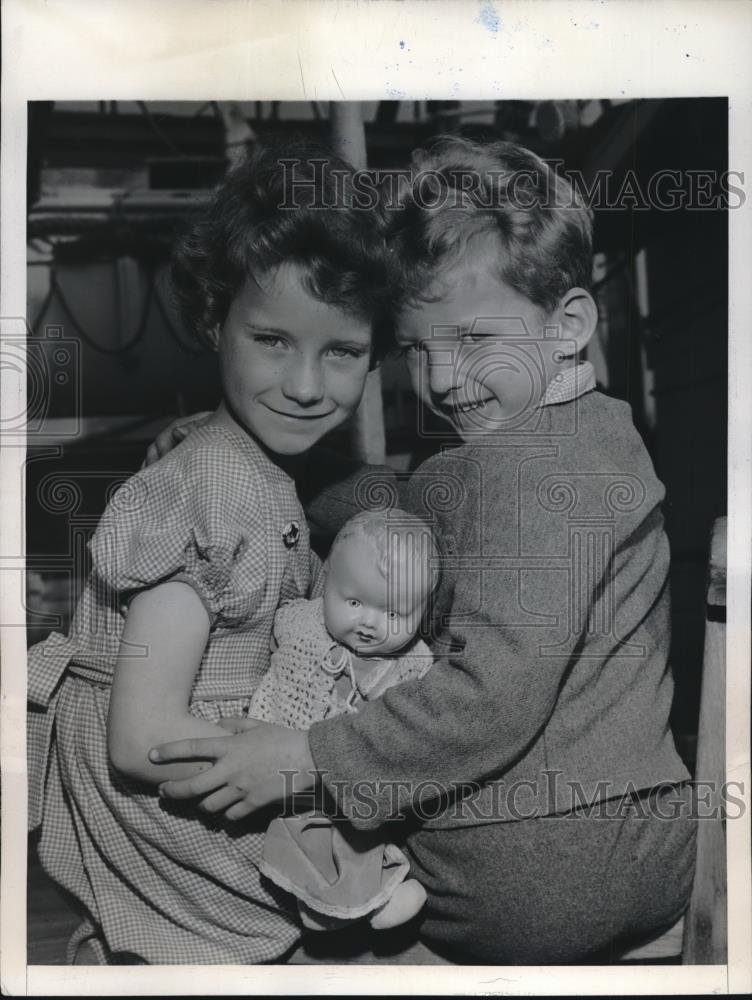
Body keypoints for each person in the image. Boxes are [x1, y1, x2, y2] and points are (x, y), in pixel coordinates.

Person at [149, 136, 697, 965]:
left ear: (570, 326)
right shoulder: (587, 440)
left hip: (529, 877)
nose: (441, 380)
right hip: (637, 850)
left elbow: (489, 698)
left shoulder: (539, 474)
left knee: (223, 848)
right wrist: (277, 458)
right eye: (415, 349)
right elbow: (411, 502)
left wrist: (304, 760)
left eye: (474, 340)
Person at [26, 138, 397, 965]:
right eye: (272, 340)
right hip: (173, 851)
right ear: (211, 321)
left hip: (198, 815)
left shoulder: (254, 470)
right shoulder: (207, 492)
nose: (306, 385)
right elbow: (140, 736)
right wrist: (312, 769)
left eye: (341, 352)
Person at [252, 509, 436, 931]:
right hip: (280, 750)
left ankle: (367, 897)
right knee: (296, 829)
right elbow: (270, 622)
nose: (370, 623)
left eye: (395, 615)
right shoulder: (302, 620)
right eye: (353, 602)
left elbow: (407, 723)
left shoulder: (409, 663)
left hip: (348, 776)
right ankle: (327, 903)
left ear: (422, 611)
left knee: (359, 831)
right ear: (328, 584)